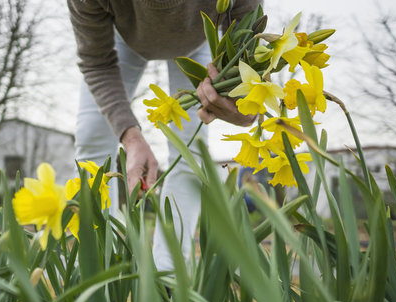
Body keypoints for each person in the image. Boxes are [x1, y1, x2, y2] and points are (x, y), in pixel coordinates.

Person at [67, 0, 259, 272]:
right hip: (122, 40)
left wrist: (246, 111)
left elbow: (248, 59)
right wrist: (131, 137)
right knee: (92, 137)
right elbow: (96, 62)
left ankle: (168, 275)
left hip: (201, 42)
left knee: (190, 150)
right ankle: (94, 268)